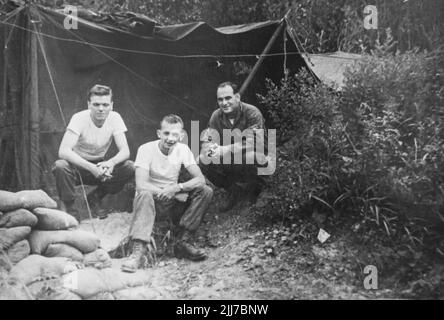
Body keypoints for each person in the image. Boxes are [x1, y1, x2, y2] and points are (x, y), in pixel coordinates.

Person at [122, 114, 213, 273]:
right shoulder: (146, 149)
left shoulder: (183, 149)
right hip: (151, 203)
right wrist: (166, 191)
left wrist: (176, 188)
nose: (170, 138)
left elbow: (200, 179)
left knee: (205, 191)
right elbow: (141, 184)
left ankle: (183, 242)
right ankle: (137, 252)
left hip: (172, 203)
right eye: (166, 133)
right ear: (159, 133)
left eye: (175, 134)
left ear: (181, 135)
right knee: (143, 194)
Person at [52, 84, 134, 220]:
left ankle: (95, 198)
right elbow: (63, 151)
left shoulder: (115, 117)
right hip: (78, 166)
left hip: (100, 165)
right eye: (96, 104)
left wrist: (111, 163)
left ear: (111, 105)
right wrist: (91, 168)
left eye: (105, 105)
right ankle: (71, 210)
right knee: (61, 166)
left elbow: (125, 151)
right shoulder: (79, 118)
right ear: (89, 105)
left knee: (129, 167)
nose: (101, 109)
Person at [198, 81, 268, 211]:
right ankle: (234, 190)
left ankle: (257, 188)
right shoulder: (216, 116)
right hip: (230, 157)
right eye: (220, 99)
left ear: (237, 97)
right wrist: (210, 148)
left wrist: (225, 149)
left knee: (251, 156)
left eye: (228, 98)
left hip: (255, 154)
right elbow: (207, 138)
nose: (224, 103)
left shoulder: (252, 112)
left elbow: (254, 141)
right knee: (202, 159)